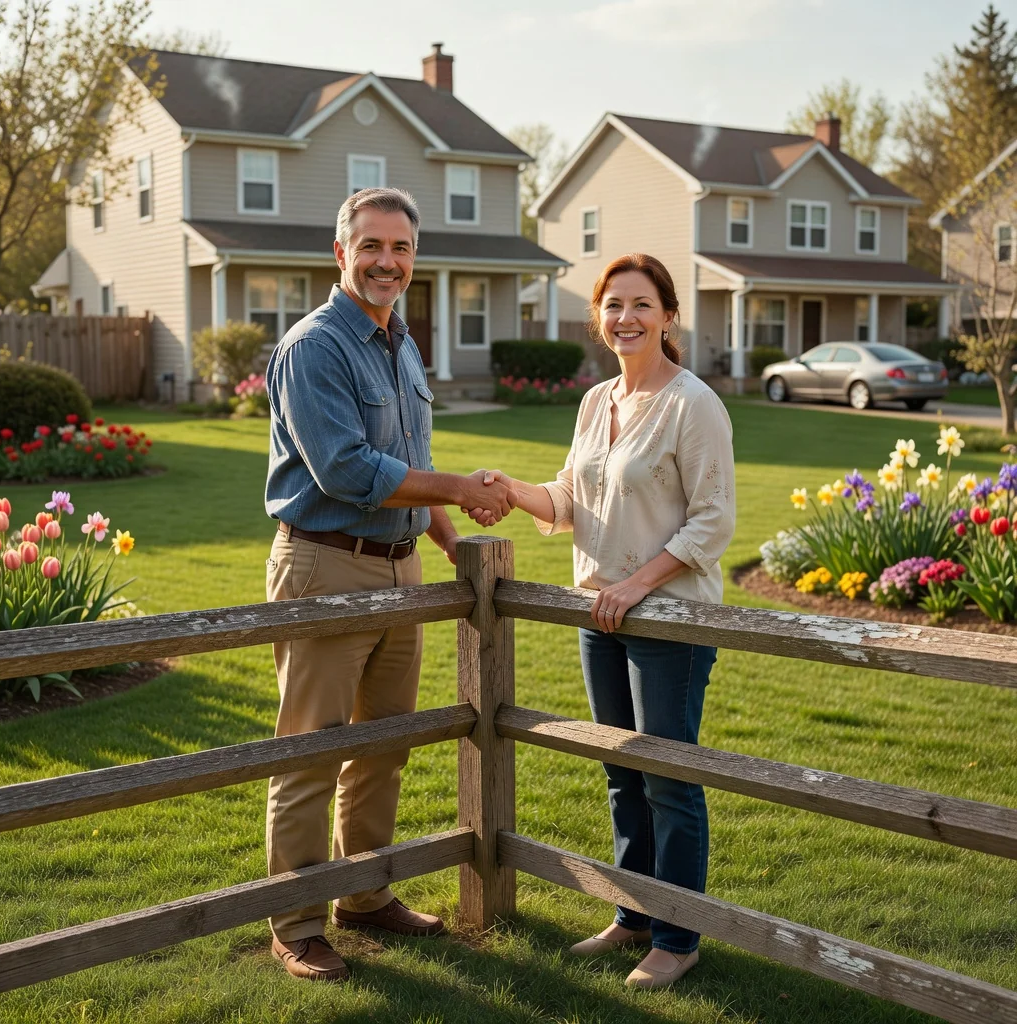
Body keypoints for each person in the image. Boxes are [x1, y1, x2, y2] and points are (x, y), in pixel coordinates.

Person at [264, 186, 515, 983]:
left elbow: (405, 450)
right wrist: (454, 489)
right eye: (371, 246)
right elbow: (346, 470)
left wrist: (445, 536)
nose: (387, 262)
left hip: (398, 568)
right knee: (311, 752)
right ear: (341, 253)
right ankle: (297, 923)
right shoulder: (315, 347)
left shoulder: (401, 344)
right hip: (326, 563)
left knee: (381, 748)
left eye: (401, 249)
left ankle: (364, 895)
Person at [467, 253, 735, 989]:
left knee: (669, 779)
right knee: (622, 772)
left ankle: (679, 938)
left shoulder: (692, 404)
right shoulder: (596, 403)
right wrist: (509, 489)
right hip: (601, 614)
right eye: (613, 305)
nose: (627, 318)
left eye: (642, 304)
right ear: (599, 317)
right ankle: (633, 915)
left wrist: (638, 585)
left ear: (668, 316)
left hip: (668, 622)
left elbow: (713, 523)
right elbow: (570, 498)